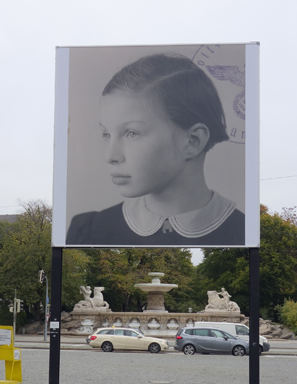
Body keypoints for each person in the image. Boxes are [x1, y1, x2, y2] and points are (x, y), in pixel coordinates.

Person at [66, 53, 245, 246]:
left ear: (193, 141)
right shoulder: (89, 231)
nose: (110, 156)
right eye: (106, 134)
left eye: (132, 133)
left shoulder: (243, 232)